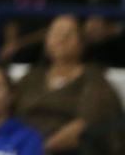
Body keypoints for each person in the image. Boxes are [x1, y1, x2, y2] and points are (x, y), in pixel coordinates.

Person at [16, 15, 125, 154]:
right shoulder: (31, 77)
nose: (62, 39)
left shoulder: (93, 79)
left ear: (81, 42)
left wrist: (39, 149)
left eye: (68, 34)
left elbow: (85, 126)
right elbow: (10, 112)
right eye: (56, 33)